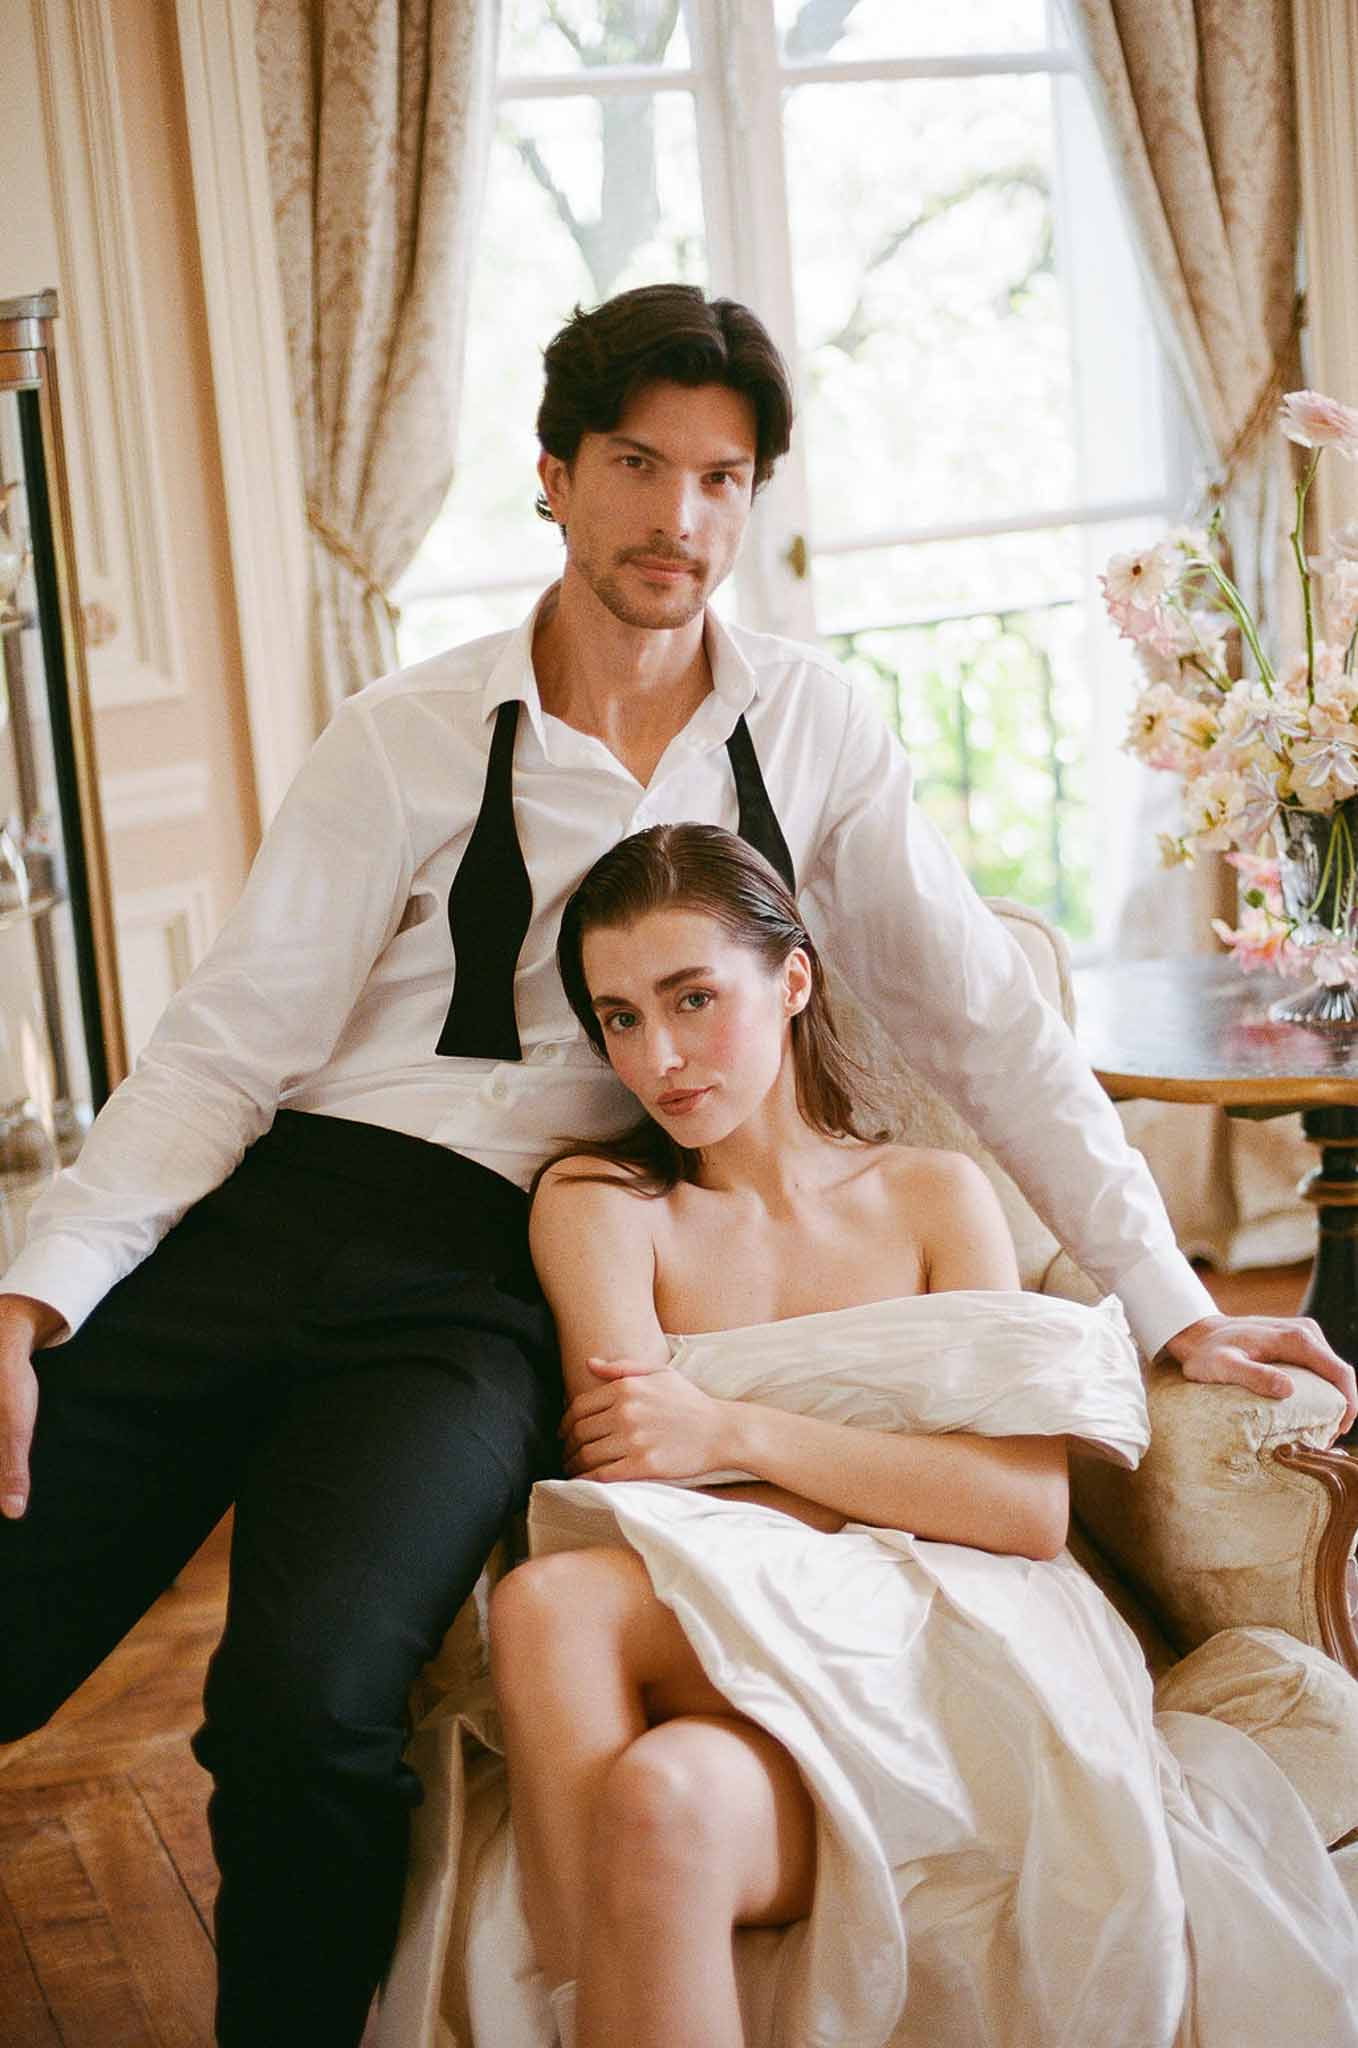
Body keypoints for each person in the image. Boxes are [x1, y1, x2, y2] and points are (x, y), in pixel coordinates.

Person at [0, 283, 1350, 2046]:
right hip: (275, 1209)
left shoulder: (811, 727)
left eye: (723, 478)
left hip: (492, 1270)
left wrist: (1172, 1308)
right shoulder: (404, 732)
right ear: (553, 477)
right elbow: (226, 1046)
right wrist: (34, 1290)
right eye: (638, 463)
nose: (679, 518)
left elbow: (982, 1034)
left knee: (306, 1701)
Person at [476, 820, 1358, 2048]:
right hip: (732, 1622)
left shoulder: (931, 1194)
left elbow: (1019, 1513)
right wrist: (892, 1479)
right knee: (649, 1773)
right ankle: (580, 2004)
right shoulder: (604, 1208)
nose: (660, 1056)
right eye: (618, 1017)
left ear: (791, 980)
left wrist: (736, 1427)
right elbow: (639, 1486)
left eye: (692, 997)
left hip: (964, 1637)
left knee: (556, 1608)